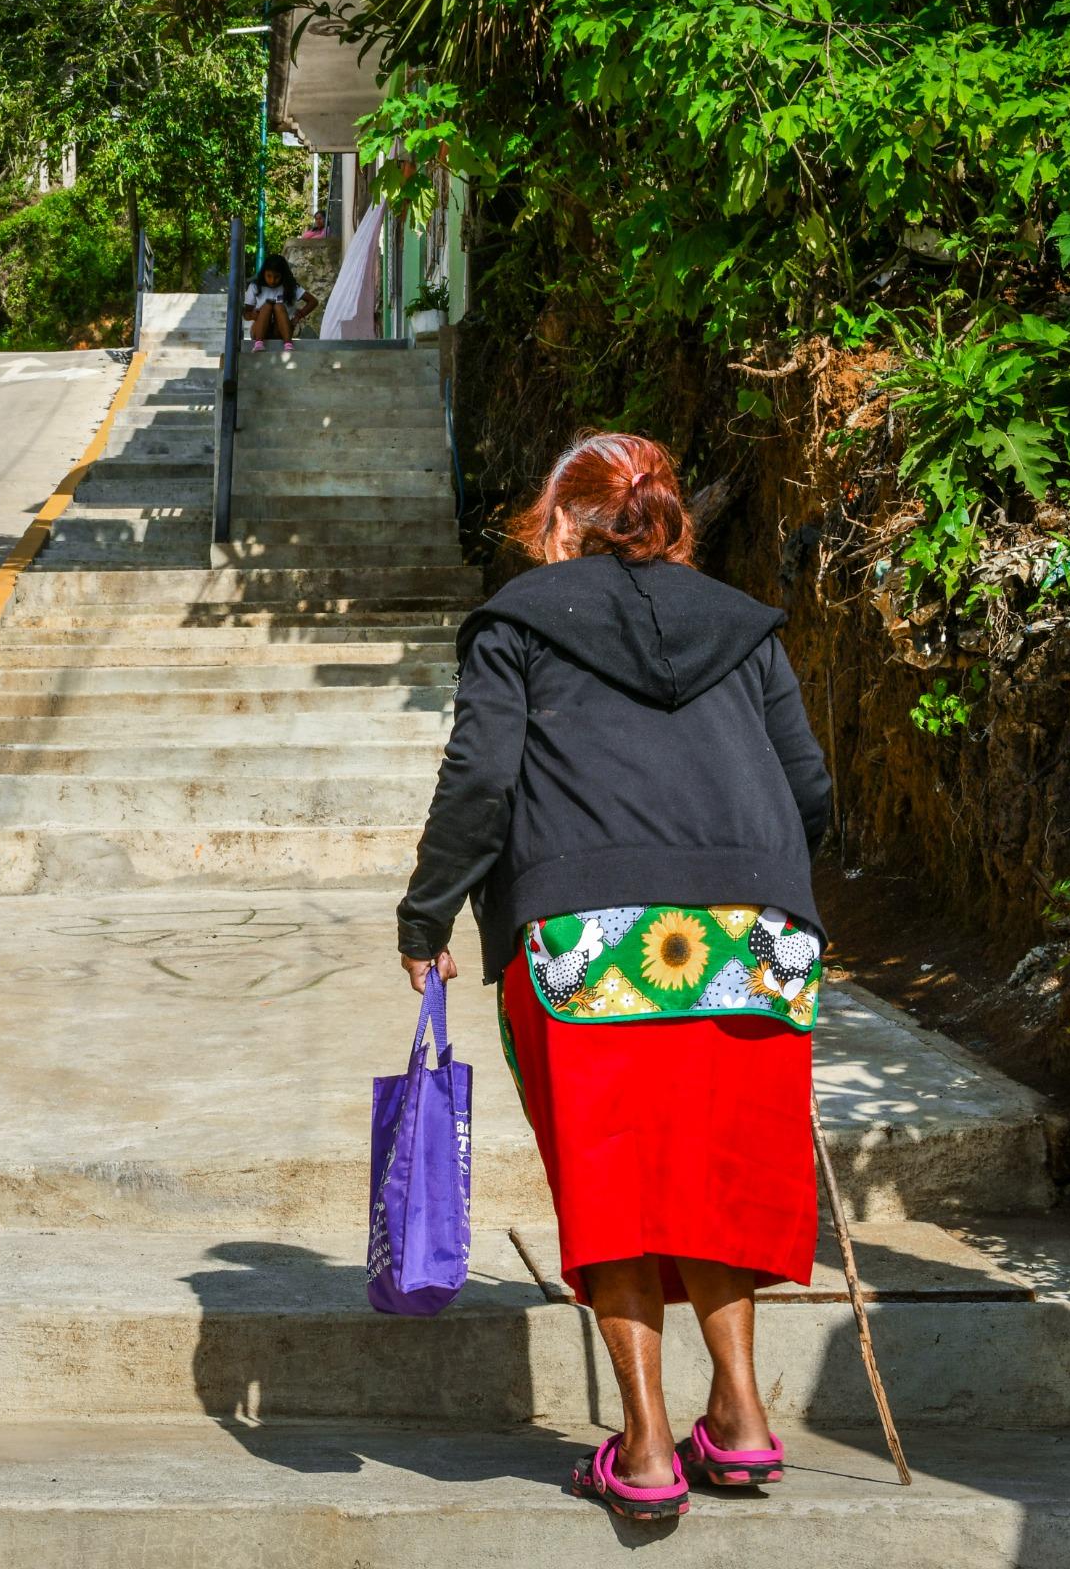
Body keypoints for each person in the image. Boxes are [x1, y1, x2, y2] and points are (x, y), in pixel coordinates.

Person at [395, 433, 832, 1523]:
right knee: (715, 1173)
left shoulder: (517, 623)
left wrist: (427, 911)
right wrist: (751, 889)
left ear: (560, 521)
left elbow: (481, 779)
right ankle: (741, 1418)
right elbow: (809, 789)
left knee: (617, 1186)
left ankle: (643, 1448)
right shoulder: (745, 626)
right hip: (752, 936)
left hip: (588, 941)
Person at [243, 254, 318, 351]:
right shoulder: (255, 286)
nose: (272, 280)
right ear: (263, 273)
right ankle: (259, 344)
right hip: (259, 331)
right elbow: (246, 314)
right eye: (269, 276)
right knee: (267, 306)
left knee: (279, 306)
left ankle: (288, 344)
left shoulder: (290, 287)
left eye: (276, 277)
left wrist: (298, 316)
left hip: (282, 332)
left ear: (283, 275)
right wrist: (253, 315)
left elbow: (313, 301)